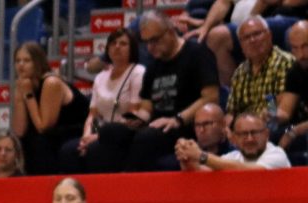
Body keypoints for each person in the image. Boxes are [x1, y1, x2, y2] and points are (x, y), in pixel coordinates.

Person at [85, 13, 218, 173]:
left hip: (185, 124)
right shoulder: (153, 65)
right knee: (110, 132)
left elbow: (211, 97)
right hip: (156, 124)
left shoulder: (196, 53)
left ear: (170, 32)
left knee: (146, 138)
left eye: (154, 40)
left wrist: (177, 119)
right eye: (146, 42)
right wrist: (129, 121)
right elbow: (146, 109)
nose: (150, 47)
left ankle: (129, 181)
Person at [61, 29, 145, 174]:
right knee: (68, 150)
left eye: (123, 43)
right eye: (113, 43)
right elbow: (92, 115)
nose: (117, 46)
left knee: (99, 146)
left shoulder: (138, 72)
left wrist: (97, 137)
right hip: (100, 132)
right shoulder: (100, 77)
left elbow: (134, 113)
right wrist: (86, 136)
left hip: (124, 131)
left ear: (132, 49)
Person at [11, 42, 90, 176]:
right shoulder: (25, 84)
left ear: (38, 62)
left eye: (26, 60)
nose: (21, 65)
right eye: (18, 61)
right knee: (24, 141)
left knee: (39, 142)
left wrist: (28, 95)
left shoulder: (51, 82)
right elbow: (19, 131)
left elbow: (43, 127)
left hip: (75, 131)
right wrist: (19, 96)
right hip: (53, 135)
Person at [224, 16, 294, 123]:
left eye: (257, 34)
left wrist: (256, 122)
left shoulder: (285, 62)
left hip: (272, 125)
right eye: (246, 37)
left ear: (269, 35)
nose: (252, 40)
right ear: (241, 45)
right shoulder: (239, 72)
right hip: (244, 128)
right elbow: (231, 112)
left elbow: (277, 110)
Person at [175, 110, 292, 168]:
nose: (249, 139)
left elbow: (254, 173)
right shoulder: (231, 157)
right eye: (243, 134)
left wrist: (201, 156)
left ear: (266, 134)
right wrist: (186, 157)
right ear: (234, 139)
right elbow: (201, 172)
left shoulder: (276, 154)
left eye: (254, 133)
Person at [277, 20, 308, 161]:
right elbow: (284, 113)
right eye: (295, 48)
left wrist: (294, 131)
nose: (301, 55)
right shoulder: (296, 70)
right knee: (273, 134)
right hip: (302, 128)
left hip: (302, 129)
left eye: (305, 46)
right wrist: (270, 113)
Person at [170, 102, 233, 170]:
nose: (201, 130)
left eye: (207, 124)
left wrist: (199, 156)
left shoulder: (236, 155)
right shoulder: (190, 153)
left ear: (223, 124)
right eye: (197, 125)